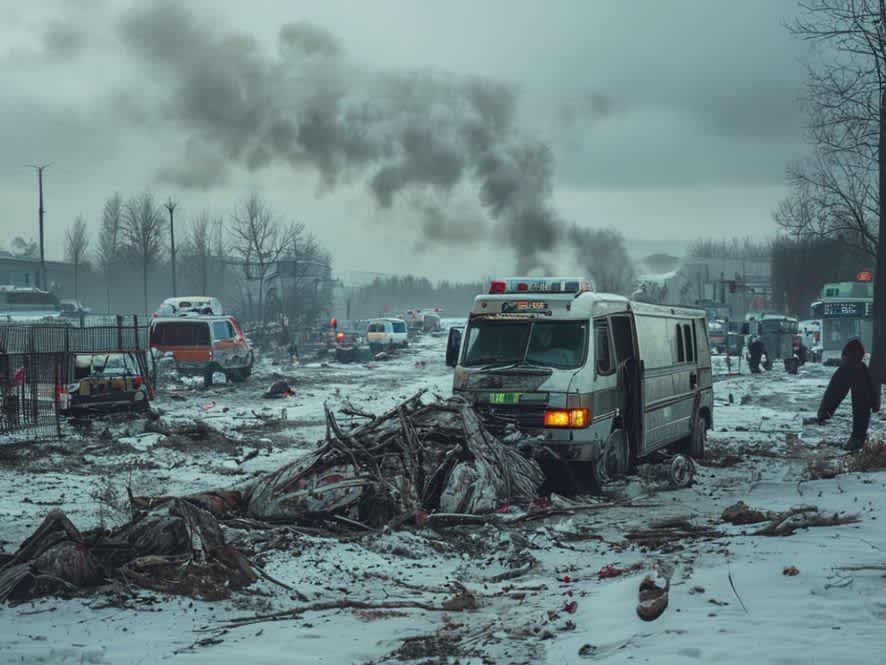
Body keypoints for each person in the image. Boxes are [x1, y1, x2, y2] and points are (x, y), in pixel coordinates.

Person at [817, 338, 880, 451]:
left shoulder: (847, 368)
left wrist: (824, 413)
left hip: (858, 431)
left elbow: (833, 393)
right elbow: (869, 392)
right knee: (862, 405)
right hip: (860, 428)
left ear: (846, 355)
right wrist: (875, 404)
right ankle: (858, 439)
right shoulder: (862, 368)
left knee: (861, 404)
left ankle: (857, 440)